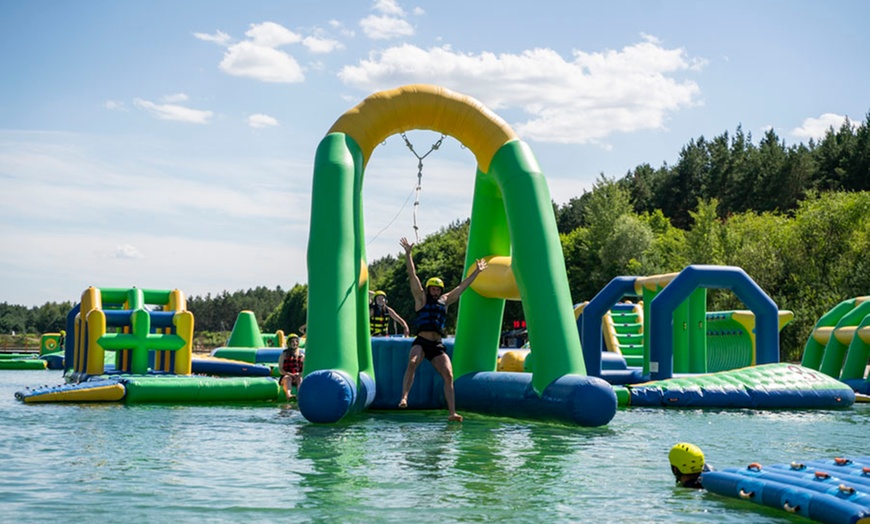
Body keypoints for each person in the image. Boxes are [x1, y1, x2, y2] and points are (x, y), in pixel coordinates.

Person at [398, 236, 487, 422]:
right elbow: (413, 276)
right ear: (429, 289)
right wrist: (408, 255)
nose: (436, 292)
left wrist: (477, 272)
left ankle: (452, 412)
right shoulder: (420, 299)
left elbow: (462, 287)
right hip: (421, 342)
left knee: (449, 374)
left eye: (438, 290)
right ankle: (405, 397)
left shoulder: (445, 300)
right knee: (413, 361)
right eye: (433, 289)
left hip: (437, 344)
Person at [277, 333, 304, 401]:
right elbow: (280, 370)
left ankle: (300, 395)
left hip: (297, 376)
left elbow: (304, 369)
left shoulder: (302, 356)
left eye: (296, 341)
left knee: (300, 378)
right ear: (289, 343)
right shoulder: (283, 355)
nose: (295, 343)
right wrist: (290, 374)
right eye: (292, 341)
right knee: (288, 378)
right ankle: (288, 395)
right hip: (286, 377)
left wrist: (299, 374)